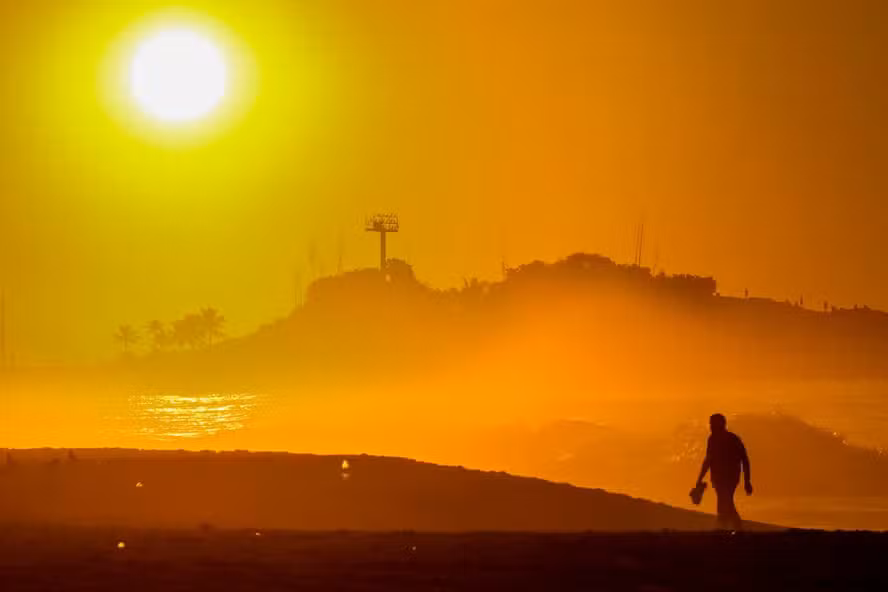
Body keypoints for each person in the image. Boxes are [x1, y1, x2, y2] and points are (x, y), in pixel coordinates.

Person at [695, 413, 752, 530]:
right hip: (718, 478)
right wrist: (699, 478)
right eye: (710, 424)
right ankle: (728, 528)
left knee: (725, 502)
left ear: (721, 424)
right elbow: (708, 460)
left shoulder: (733, 439)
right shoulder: (712, 439)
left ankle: (732, 528)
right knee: (724, 502)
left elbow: (745, 460)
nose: (710, 426)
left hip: (730, 478)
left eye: (712, 424)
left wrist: (747, 481)